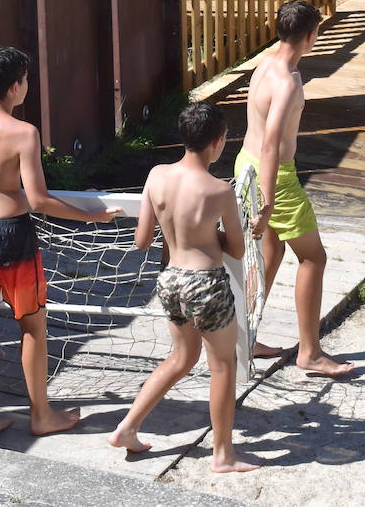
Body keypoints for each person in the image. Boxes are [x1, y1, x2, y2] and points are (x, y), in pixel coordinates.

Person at [0, 46, 120, 444]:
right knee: (33, 325)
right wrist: (94, 217)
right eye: (27, 80)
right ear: (16, 86)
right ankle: (41, 415)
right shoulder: (23, 133)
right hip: (9, 236)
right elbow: (39, 199)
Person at [108, 101, 261, 473]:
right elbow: (237, 250)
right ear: (217, 142)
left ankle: (127, 428)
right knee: (223, 365)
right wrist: (213, 235)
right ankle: (223, 455)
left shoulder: (157, 175)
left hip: (170, 280)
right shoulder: (219, 190)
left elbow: (142, 240)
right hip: (206, 282)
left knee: (181, 357)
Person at [235, 0, 353, 377]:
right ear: (310, 36)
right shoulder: (288, 80)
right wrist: (268, 201)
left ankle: (246, 338)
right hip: (276, 177)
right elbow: (272, 142)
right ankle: (310, 352)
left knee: (268, 254)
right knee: (313, 258)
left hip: (244, 162)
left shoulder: (265, 63)